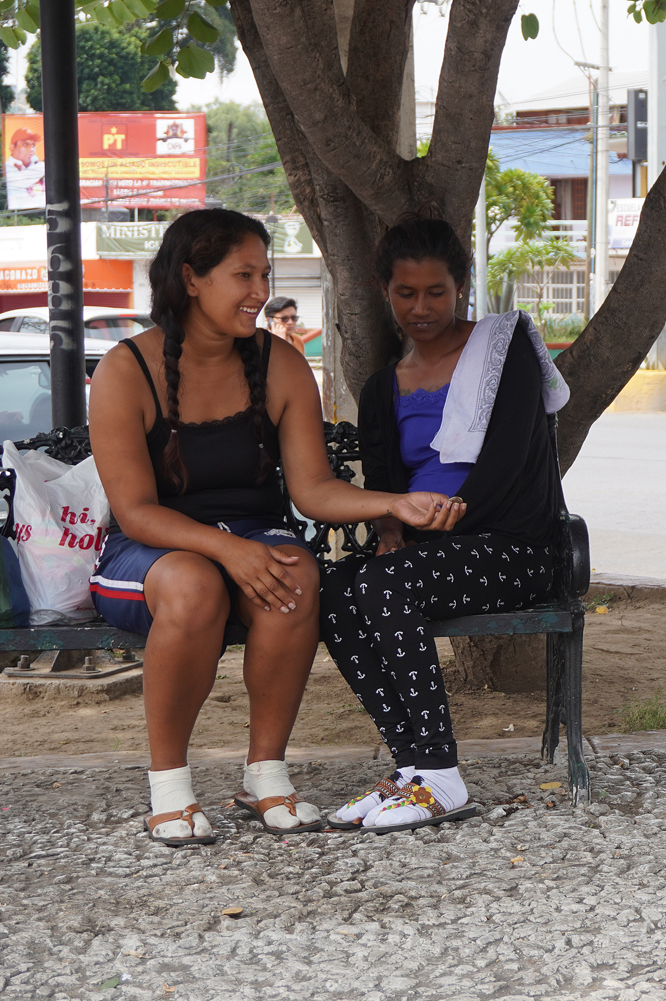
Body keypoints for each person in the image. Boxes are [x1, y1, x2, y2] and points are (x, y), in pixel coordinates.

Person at [88, 209, 464, 847]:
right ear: (191, 279)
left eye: (265, 273)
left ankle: (265, 775)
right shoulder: (128, 370)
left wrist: (391, 505)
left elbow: (313, 490)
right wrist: (227, 551)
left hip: (252, 539)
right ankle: (169, 790)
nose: (260, 291)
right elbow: (135, 512)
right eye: (243, 275)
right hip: (150, 550)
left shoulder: (281, 366)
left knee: (295, 572)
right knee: (193, 585)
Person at [320, 216, 569, 833]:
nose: (421, 307)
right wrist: (393, 533)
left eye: (436, 292)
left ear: (460, 288)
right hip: (428, 553)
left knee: (387, 585)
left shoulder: (501, 352)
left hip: (515, 545)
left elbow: (512, 460)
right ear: (385, 291)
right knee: (330, 592)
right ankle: (412, 770)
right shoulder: (384, 387)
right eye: (406, 293)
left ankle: (442, 775)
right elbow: (385, 488)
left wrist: (444, 523)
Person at [5, 127, 45, 210]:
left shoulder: (36, 165)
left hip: (41, 212)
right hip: (20, 214)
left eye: (33, 145)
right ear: (12, 147)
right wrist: (47, 165)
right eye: (25, 145)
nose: (31, 150)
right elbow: (21, 181)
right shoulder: (8, 166)